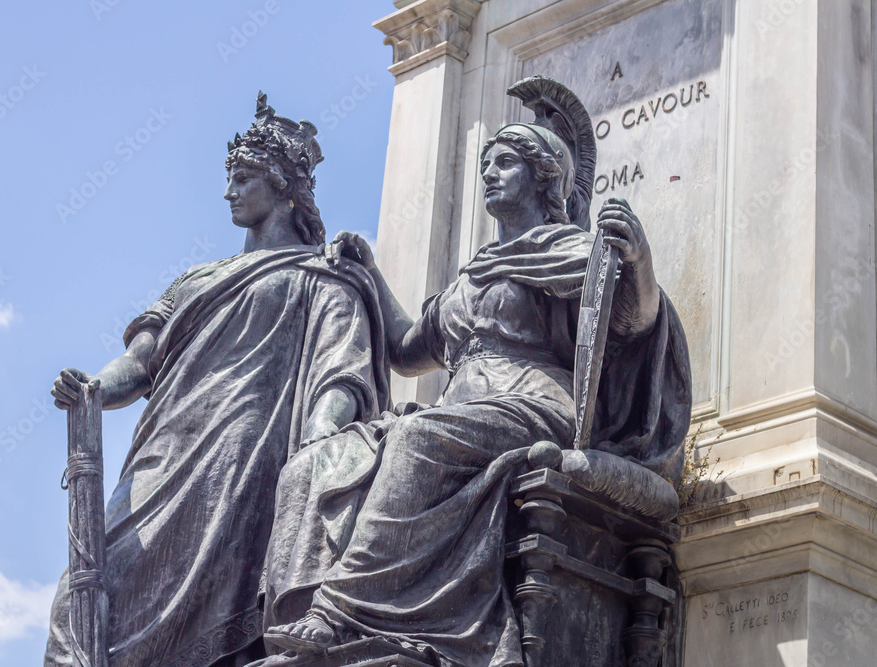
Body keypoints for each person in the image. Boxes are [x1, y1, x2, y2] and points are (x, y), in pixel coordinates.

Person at [260, 77, 691, 667]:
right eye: (487, 163)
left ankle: (340, 614)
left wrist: (638, 263)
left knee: (415, 440)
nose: (489, 174)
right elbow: (411, 350)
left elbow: (634, 324)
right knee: (318, 461)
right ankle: (298, 623)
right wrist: (369, 275)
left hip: (533, 403)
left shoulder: (569, 251)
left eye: (505, 163)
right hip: (464, 410)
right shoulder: (475, 273)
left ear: (544, 178)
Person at [43, 93, 389, 667]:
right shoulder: (196, 279)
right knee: (86, 589)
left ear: (281, 185)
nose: (229, 191)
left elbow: (340, 371)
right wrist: (94, 390)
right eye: (230, 178)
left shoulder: (323, 277)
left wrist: (321, 443)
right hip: (165, 446)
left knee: (216, 608)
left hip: (244, 454)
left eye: (243, 178)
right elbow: (140, 359)